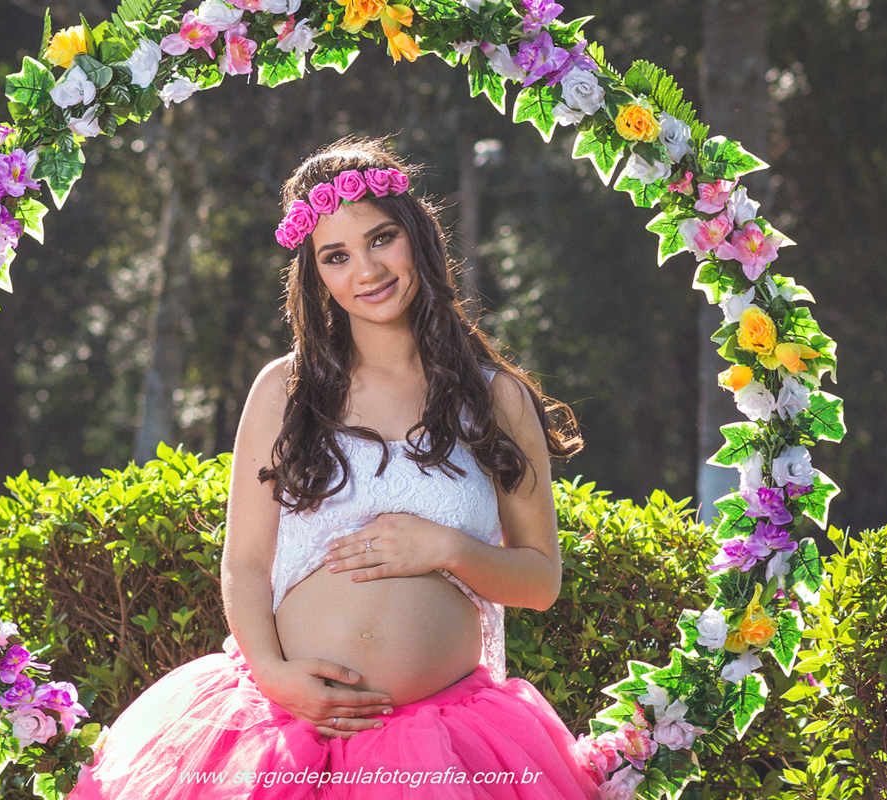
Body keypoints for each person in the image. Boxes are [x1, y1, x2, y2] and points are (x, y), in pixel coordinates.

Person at [68, 137, 600, 799]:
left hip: (444, 749)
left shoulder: (495, 399)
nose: (366, 270)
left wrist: (448, 548)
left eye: (381, 240)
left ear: (416, 238)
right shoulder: (283, 390)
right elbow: (244, 565)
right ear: (315, 273)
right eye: (336, 256)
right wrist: (272, 672)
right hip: (285, 730)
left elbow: (540, 580)